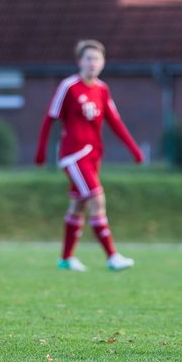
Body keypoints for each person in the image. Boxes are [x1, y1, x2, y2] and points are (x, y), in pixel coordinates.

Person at [35, 40, 145, 272]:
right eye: (88, 58)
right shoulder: (69, 87)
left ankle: (65, 259)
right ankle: (112, 256)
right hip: (74, 155)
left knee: (78, 205)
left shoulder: (102, 89)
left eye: (97, 59)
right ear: (80, 62)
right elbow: (50, 118)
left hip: (94, 154)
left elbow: (115, 121)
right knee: (97, 199)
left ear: (103, 63)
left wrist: (134, 149)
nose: (92, 63)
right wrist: (41, 151)